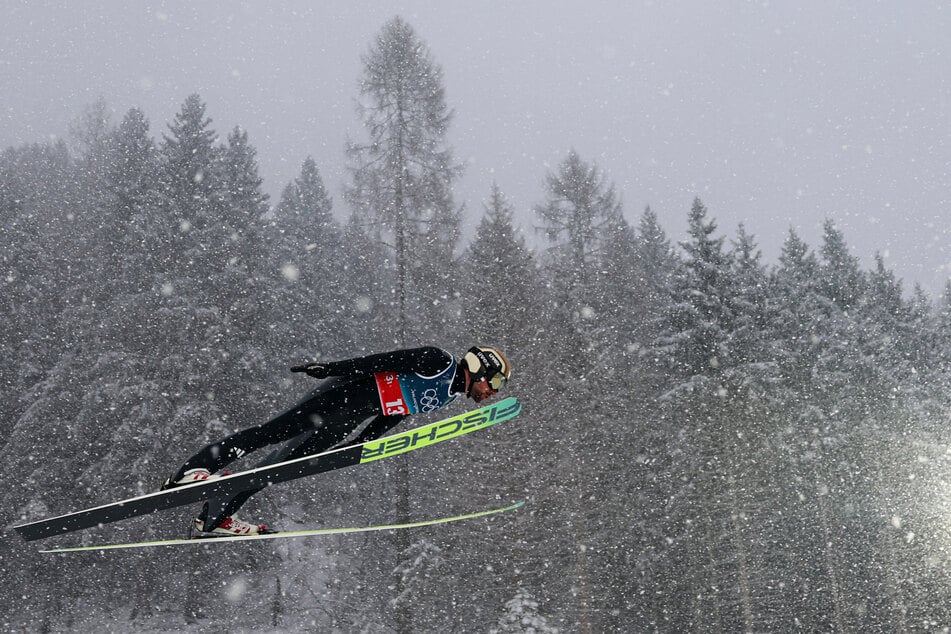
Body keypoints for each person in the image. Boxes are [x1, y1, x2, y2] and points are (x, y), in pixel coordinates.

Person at [161, 345, 512, 536]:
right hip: (341, 396)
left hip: (351, 418)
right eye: (493, 384)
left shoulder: (446, 396)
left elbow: (396, 410)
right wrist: (331, 369)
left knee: (277, 469)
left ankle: (216, 517)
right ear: (481, 369)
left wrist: (362, 442)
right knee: (268, 435)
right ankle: (189, 473)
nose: (491, 393)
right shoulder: (438, 362)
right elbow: (380, 361)